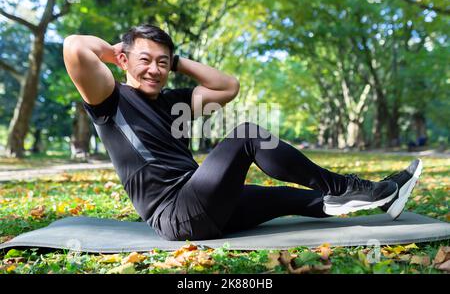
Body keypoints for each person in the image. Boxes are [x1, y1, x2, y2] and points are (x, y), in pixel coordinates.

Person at [63, 24, 423, 241]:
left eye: (162, 63)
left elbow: (227, 86)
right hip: (175, 213)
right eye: (145, 60)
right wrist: (121, 53)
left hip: (205, 202)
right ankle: (343, 186)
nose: (155, 70)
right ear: (124, 61)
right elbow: (75, 46)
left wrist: (173, 60)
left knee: (289, 199)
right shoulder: (110, 98)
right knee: (247, 134)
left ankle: (379, 196)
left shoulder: (175, 101)